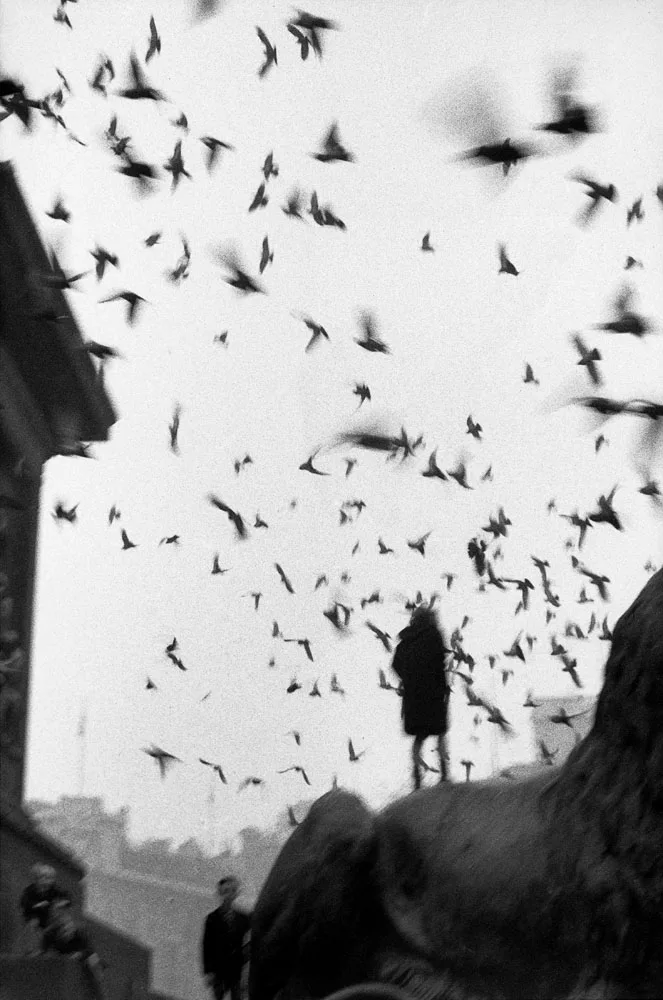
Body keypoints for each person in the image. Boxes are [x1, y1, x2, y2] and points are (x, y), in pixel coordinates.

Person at [391, 604, 451, 790]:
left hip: (413, 697)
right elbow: (440, 662)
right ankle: (444, 774)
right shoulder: (434, 635)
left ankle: (417, 780)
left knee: (419, 738)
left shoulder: (405, 641)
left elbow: (395, 665)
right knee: (440, 733)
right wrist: (443, 686)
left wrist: (409, 679)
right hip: (433, 694)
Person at [202, 876, 251, 1000]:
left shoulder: (244, 918)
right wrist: (208, 972)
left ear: (236, 894)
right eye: (225, 891)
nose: (228, 895)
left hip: (236, 971)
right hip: (218, 971)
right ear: (219, 894)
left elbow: (251, 940)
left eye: (232, 891)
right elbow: (207, 946)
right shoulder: (212, 919)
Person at [20, 864, 71, 954]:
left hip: (46, 917)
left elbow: (65, 896)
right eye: (43, 878)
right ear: (37, 879)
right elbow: (24, 902)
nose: (46, 883)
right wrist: (37, 905)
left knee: (57, 924)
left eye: (50, 879)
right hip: (33, 914)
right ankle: (31, 949)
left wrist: (64, 902)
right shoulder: (30, 890)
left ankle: (53, 947)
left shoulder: (53, 890)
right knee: (33, 923)